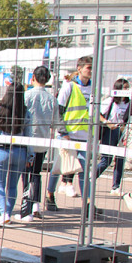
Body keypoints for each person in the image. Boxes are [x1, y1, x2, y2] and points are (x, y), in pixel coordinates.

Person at [47, 56, 95, 200]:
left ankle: (88, 203)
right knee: (59, 167)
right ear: (79, 69)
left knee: (84, 170)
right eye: (89, 68)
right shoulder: (69, 86)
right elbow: (58, 111)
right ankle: (50, 194)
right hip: (68, 135)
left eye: (92, 68)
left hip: (84, 136)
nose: (91, 71)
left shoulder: (93, 88)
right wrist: (63, 132)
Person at [17, 66, 56, 220]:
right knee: (36, 173)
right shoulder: (52, 99)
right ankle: (35, 206)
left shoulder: (26, 96)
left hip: (28, 140)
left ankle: (26, 207)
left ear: (33, 77)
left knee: (26, 174)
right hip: (42, 139)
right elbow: (55, 121)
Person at [0, 83, 30, 226]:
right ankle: (8, 213)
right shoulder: (25, 112)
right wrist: (30, 155)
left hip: (2, 150)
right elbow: (28, 135)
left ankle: (3, 212)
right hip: (20, 151)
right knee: (12, 186)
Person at [95, 77, 130, 194]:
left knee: (120, 160)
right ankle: (91, 177)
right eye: (124, 88)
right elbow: (98, 114)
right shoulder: (110, 101)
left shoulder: (129, 103)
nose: (127, 90)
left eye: (128, 88)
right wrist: (107, 123)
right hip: (110, 131)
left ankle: (116, 186)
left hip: (123, 132)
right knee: (107, 159)